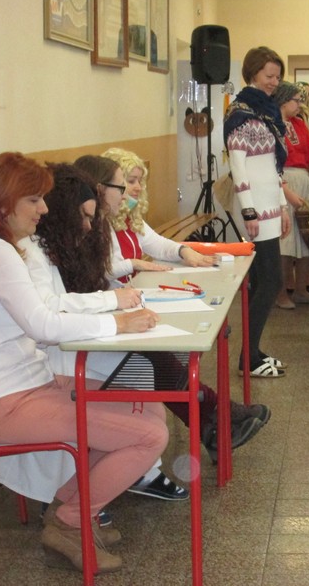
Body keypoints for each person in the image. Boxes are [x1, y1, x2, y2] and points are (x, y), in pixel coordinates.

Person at [0, 152, 169, 573]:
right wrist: (117, 322)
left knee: (147, 405)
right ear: (4, 201)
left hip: (29, 385)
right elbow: (44, 324)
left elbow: (44, 315)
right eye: (34, 200)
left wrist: (112, 315)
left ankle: (70, 512)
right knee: (148, 436)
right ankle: (71, 520)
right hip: (0, 404)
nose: (44, 209)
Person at [64, 157, 269, 460]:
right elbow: (99, 274)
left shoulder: (115, 218)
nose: (130, 190)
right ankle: (218, 419)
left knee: (163, 354)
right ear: (97, 188)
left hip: (114, 307)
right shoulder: (90, 227)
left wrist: (184, 250)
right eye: (125, 184)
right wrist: (132, 266)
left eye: (136, 182)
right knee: (158, 358)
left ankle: (216, 421)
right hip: (94, 326)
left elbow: (154, 244)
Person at [223, 46, 291, 377]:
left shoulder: (268, 111)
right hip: (254, 208)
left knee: (263, 281)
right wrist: (248, 210)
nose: (274, 82)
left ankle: (251, 352)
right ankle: (248, 358)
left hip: (270, 204)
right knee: (270, 280)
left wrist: (283, 206)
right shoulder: (240, 113)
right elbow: (239, 166)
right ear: (252, 73)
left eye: (278, 76)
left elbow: (272, 167)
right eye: (269, 75)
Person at [100, 148, 216, 280]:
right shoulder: (100, 222)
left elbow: (157, 245)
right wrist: (134, 264)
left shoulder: (130, 218)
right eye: (131, 181)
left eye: (139, 181)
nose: (138, 187)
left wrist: (183, 250)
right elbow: (101, 273)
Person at [273, 81, 309, 309]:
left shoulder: (299, 124)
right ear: (283, 100)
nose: (300, 105)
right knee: (286, 241)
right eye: (296, 100)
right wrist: (285, 190)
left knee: (308, 237)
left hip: (303, 180)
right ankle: (281, 293)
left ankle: (301, 289)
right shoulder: (271, 124)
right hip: (282, 181)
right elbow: (271, 161)